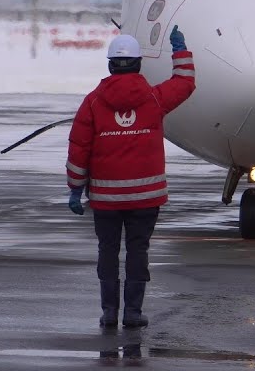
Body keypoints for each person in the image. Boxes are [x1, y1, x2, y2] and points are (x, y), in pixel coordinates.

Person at [66, 26, 196, 329]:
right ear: (138, 64)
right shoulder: (154, 99)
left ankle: (109, 312)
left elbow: (79, 148)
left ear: (110, 65)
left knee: (108, 252)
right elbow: (186, 83)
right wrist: (180, 50)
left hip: (106, 200)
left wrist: (75, 189)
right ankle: (133, 313)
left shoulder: (93, 102)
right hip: (146, 198)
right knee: (138, 251)